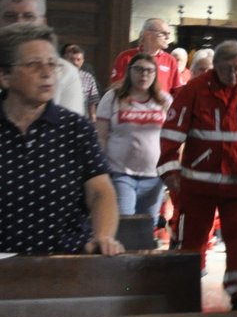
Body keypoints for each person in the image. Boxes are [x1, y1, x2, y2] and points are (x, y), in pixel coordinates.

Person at [158, 40, 237, 309]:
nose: (233, 75)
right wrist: (170, 168)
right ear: (215, 66)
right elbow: (172, 132)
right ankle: (186, 288)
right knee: (192, 238)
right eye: (227, 68)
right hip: (198, 184)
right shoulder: (195, 89)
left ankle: (236, 283)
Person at [0, 23, 121, 255]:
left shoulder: (75, 128)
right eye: (33, 65)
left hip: (64, 263)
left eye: (52, 64)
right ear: (4, 76)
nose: (46, 73)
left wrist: (103, 236)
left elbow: (100, 191)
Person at [95, 53, 170, 218]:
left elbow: (173, 138)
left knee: (146, 230)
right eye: (139, 69)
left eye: (150, 71)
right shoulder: (113, 97)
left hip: (154, 177)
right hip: (121, 173)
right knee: (126, 225)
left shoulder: (164, 100)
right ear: (129, 72)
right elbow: (101, 136)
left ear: (156, 74)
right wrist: (101, 169)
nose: (144, 74)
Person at [0, 0, 85, 116]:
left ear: (43, 22)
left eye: (28, 16)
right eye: (10, 16)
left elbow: (68, 130)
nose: (19, 23)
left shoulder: (66, 73)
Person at [111, 18, 181, 95]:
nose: (167, 37)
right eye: (163, 33)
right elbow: (116, 87)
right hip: (131, 105)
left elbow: (177, 90)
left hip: (161, 105)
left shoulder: (170, 60)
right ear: (147, 34)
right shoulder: (126, 57)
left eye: (168, 34)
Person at [63, 44, 99, 115]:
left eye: (78, 60)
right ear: (65, 59)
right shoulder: (57, 77)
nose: (75, 62)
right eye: (72, 59)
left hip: (81, 119)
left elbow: (92, 102)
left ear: (82, 61)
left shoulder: (88, 78)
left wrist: (93, 120)